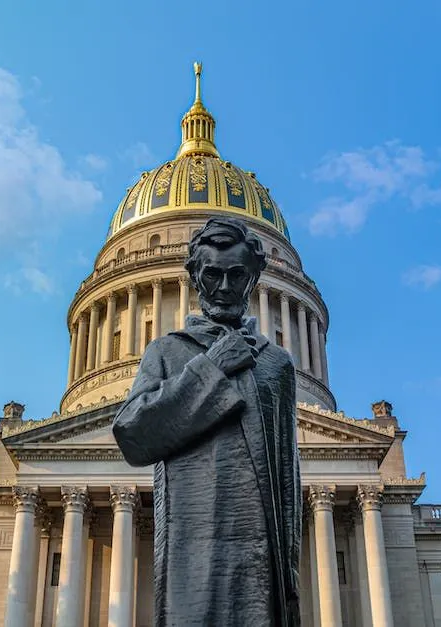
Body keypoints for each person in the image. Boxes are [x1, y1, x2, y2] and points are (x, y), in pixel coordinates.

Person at [113, 216, 301, 626]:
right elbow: (133, 435)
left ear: (254, 281)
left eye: (237, 275)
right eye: (212, 274)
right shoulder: (166, 352)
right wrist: (212, 369)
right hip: (192, 548)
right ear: (195, 279)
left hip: (259, 555)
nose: (225, 286)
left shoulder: (276, 364)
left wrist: (289, 577)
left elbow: (288, 482)